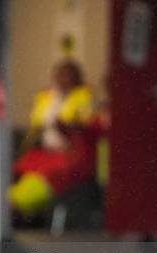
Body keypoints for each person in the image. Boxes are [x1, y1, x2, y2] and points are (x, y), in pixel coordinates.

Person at [10, 60, 99, 217]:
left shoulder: (84, 96)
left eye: (67, 75)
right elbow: (36, 124)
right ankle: (19, 208)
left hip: (68, 154)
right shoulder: (45, 97)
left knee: (48, 176)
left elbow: (84, 126)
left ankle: (19, 204)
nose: (63, 79)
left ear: (75, 78)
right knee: (19, 169)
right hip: (43, 151)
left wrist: (65, 125)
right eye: (60, 75)